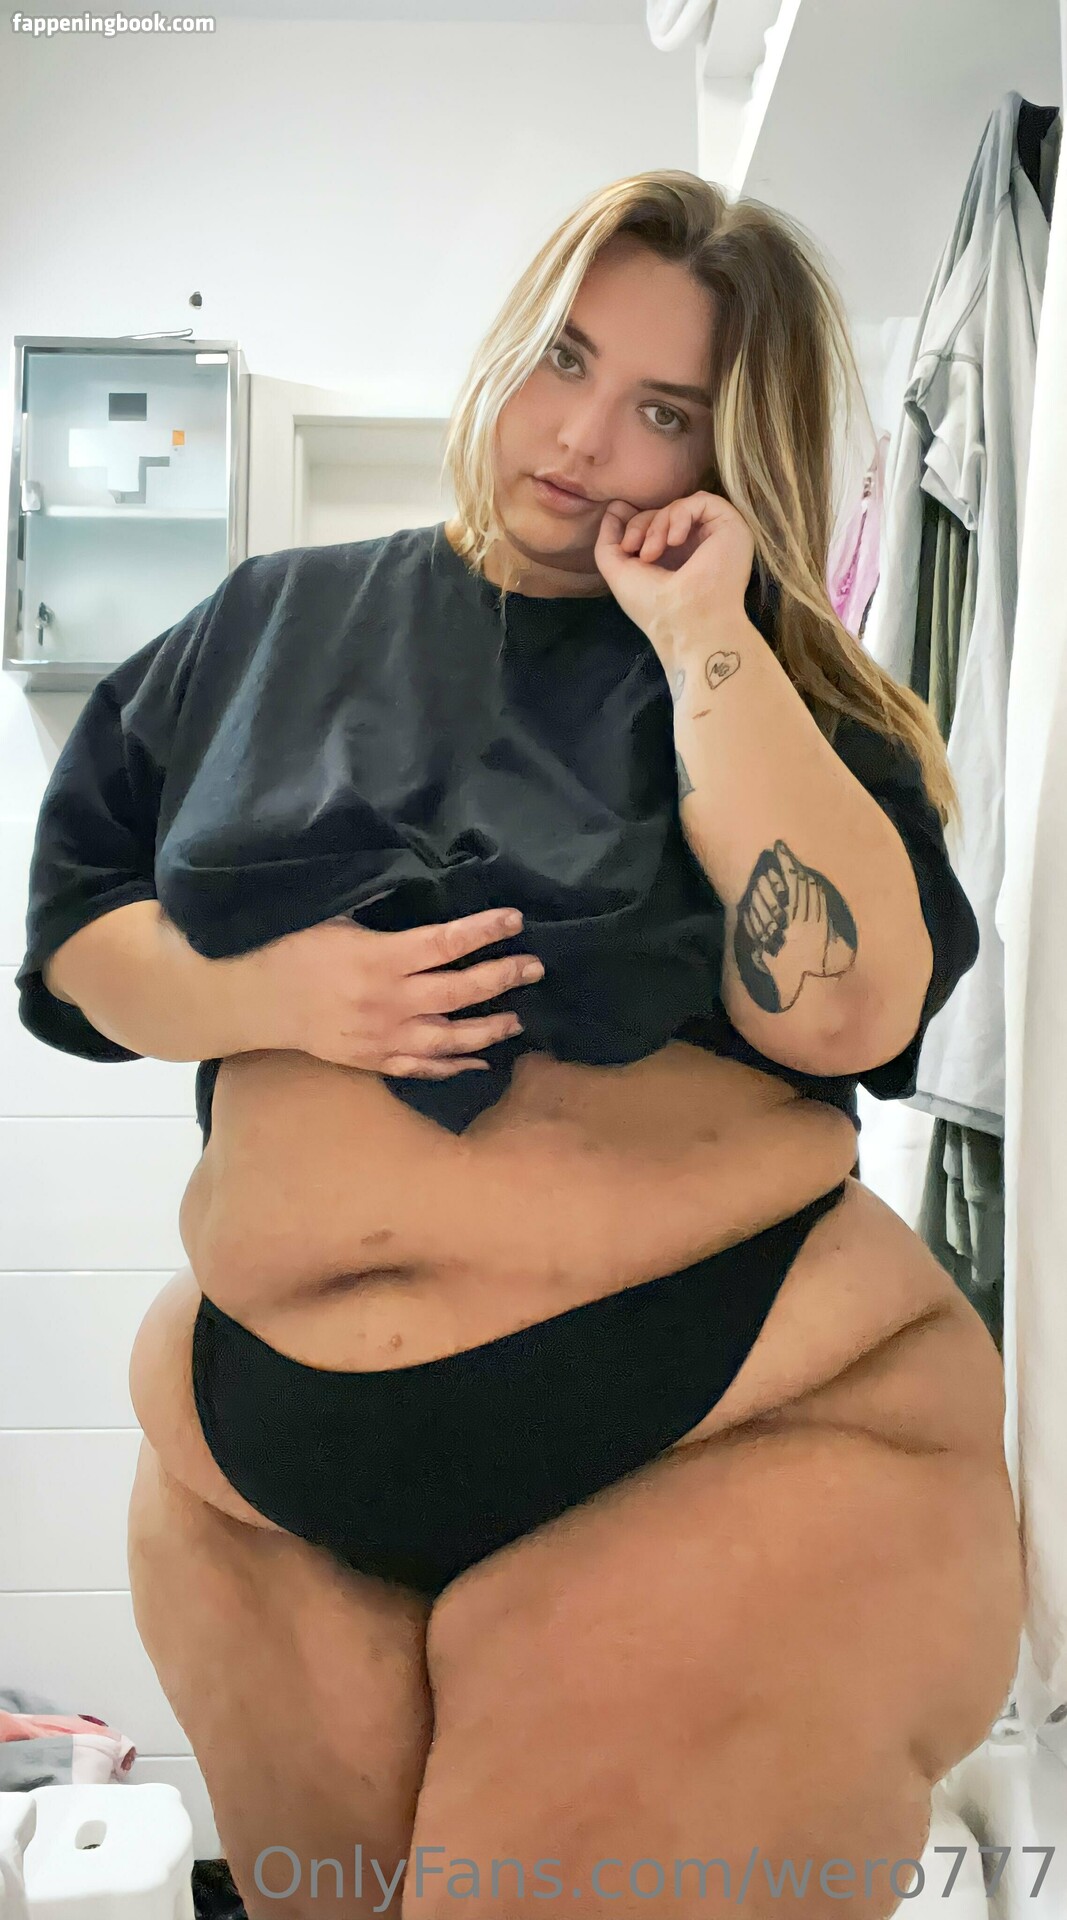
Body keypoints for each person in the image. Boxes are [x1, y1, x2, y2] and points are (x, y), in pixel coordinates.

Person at [18, 172, 1024, 1920]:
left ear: (730, 451)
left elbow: (846, 1006)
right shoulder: (263, 621)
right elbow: (76, 944)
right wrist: (287, 1000)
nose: (582, 438)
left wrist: (705, 640)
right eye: (566, 359)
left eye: (664, 411)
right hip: (263, 1499)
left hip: (725, 1443)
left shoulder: (767, 688)